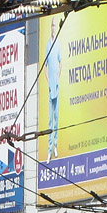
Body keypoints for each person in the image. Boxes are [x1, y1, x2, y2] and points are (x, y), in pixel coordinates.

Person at [45, 16, 63, 161]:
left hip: (56, 85)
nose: (53, 28)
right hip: (51, 86)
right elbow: (45, 65)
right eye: (52, 26)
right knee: (50, 120)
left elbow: (60, 62)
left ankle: (55, 145)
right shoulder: (48, 45)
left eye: (55, 26)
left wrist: (57, 76)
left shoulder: (57, 44)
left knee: (56, 118)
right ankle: (49, 149)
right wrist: (48, 79)